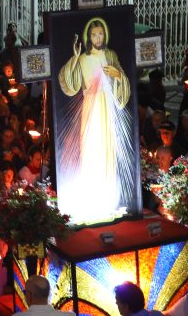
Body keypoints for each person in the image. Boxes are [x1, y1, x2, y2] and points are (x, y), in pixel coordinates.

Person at [57, 17, 133, 222]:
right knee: (91, 148)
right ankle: (92, 197)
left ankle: (107, 197)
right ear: (88, 37)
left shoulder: (110, 55)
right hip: (90, 108)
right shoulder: (82, 59)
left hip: (107, 108)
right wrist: (74, 57)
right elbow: (70, 85)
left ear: (105, 35)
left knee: (107, 148)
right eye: (93, 34)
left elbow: (123, 85)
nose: (97, 37)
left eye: (100, 34)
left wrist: (118, 75)